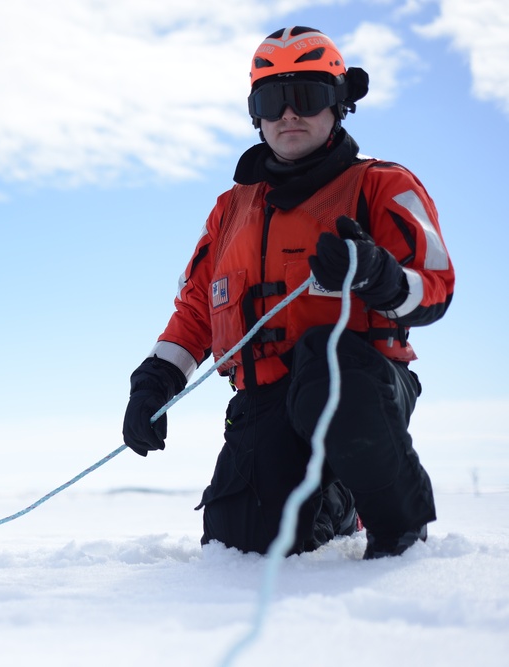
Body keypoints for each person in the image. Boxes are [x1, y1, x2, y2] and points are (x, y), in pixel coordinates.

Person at [122, 26, 455, 559]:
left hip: (360, 388)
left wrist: (380, 274)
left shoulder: (383, 186)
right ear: (256, 114)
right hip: (263, 401)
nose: (288, 114)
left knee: (329, 366)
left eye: (307, 95)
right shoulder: (230, 211)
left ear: (340, 103)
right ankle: (333, 502)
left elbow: (436, 288)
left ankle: (398, 530)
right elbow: (196, 311)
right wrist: (155, 381)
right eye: (273, 100)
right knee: (241, 548)